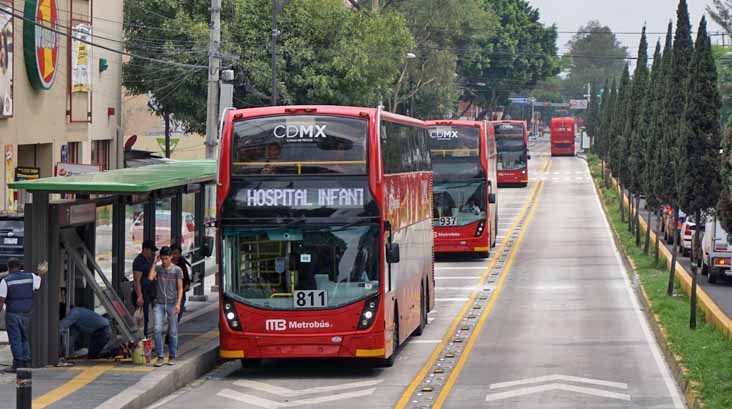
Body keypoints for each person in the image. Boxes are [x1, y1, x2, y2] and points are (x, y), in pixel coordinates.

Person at [0, 258, 43, 372]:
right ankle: (26, 361)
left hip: (13, 314)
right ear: (20, 267)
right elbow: (37, 286)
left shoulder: (6, 281)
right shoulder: (31, 277)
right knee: (24, 338)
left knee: (15, 339)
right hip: (27, 313)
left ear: (8, 268)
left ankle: (17, 364)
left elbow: (1, 301)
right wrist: (39, 273)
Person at [149, 246, 183, 367]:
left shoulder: (177, 270)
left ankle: (172, 355)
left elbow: (180, 288)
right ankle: (160, 356)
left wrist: (178, 304)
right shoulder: (158, 268)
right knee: (157, 329)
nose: (164, 261)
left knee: (173, 331)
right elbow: (150, 277)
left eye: (166, 258)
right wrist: (154, 262)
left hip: (172, 304)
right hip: (159, 303)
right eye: (162, 259)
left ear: (171, 257)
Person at [132, 240, 157, 337]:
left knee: (148, 319)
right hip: (142, 295)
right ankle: (142, 340)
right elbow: (137, 280)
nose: (152, 253)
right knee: (143, 319)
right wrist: (139, 296)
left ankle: (146, 339)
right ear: (145, 249)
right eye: (151, 250)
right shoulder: (139, 261)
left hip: (149, 294)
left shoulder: (149, 259)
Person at [170, 244, 191, 323]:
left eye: (178, 253)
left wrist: (187, 285)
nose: (176, 255)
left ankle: (172, 328)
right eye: (174, 253)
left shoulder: (182, 263)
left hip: (180, 292)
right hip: (169, 293)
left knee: (179, 311)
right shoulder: (166, 263)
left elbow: (186, 277)